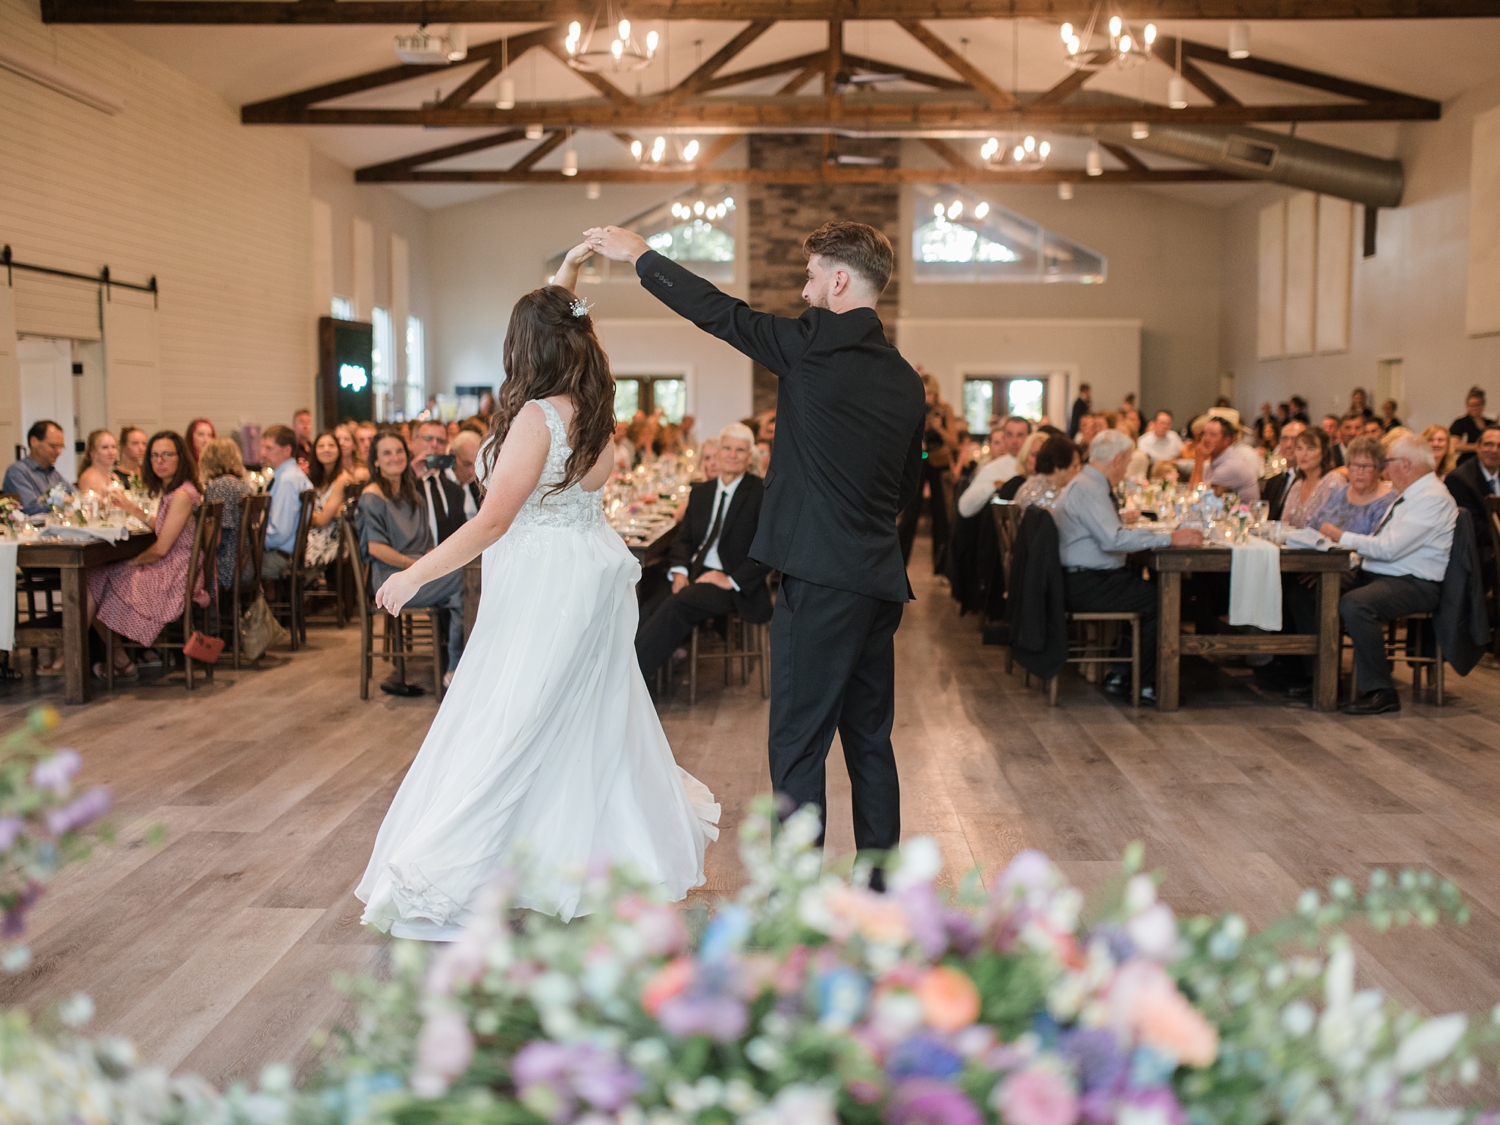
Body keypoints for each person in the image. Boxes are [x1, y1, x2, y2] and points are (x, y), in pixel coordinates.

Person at [357, 259, 717, 935]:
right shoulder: (595, 415)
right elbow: (562, 315)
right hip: (583, 571)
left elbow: (492, 520)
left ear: (531, 347)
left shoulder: (535, 418)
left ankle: (473, 863)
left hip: (539, 580)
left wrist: (413, 575)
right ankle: (575, 856)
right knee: (578, 714)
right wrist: (569, 272)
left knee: (511, 715)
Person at [588, 217, 923, 870]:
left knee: (797, 747)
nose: (803, 291)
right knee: (871, 745)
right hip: (876, 581)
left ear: (840, 278)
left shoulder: (812, 346)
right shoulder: (907, 380)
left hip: (819, 583)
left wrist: (642, 256)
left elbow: (720, 314)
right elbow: (906, 485)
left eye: (810, 276)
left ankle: (794, 902)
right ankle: (884, 895)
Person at [1053, 430, 1203, 705]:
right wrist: (1170, 538)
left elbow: (1098, 528)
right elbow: (1113, 540)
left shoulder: (1085, 482)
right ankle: (1142, 683)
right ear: (1119, 459)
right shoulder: (1089, 488)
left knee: (1148, 591)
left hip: (1084, 578)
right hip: (1085, 583)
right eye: (1127, 461)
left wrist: (1118, 518)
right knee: (1162, 601)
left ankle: (1123, 674)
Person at [1317, 434, 1456, 715]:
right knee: (1312, 586)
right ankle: (1314, 676)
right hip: (1384, 572)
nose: (1384, 469)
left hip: (1414, 582)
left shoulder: (1432, 498)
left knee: (1356, 604)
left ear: (1405, 464)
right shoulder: (1411, 493)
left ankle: (1382, 691)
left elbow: (1389, 548)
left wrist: (1342, 536)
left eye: (1387, 462)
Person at [635, 424, 771, 680]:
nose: (732, 454)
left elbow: (767, 551)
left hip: (730, 581)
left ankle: (632, 681)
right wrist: (680, 571)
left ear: (749, 456)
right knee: (646, 597)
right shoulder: (701, 492)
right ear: (718, 452)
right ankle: (637, 678)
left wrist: (730, 579)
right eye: (727, 448)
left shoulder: (761, 493)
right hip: (694, 572)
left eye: (740, 450)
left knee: (677, 604)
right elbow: (683, 540)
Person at [86, 431, 209, 680]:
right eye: (154, 456)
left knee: (94, 580)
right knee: (95, 579)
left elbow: (161, 549)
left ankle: (100, 658)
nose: (159, 461)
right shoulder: (177, 491)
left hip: (176, 576)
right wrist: (132, 509)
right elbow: (165, 527)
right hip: (177, 567)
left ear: (180, 458)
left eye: (167, 455)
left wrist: (129, 562)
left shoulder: (183, 495)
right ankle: (118, 659)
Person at [356, 431, 468, 693]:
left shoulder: (411, 492)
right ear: (375, 461)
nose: (395, 457)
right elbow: (376, 547)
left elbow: (427, 542)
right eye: (386, 453)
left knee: (467, 575)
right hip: (390, 578)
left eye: (398, 451)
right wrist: (416, 568)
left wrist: (431, 562)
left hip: (415, 570)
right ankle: (455, 667)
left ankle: (461, 663)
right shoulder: (372, 496)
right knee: (463, 582)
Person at [897, 372, 959, 573]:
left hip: (939, 464)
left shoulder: (944, 409)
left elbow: (954, 443)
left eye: (930, 393)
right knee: (909, 515)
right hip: (919, 461)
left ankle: (941, 568)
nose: (928, 397)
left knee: (941, 516)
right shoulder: (914, 406)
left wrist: (938, 427)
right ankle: (899, 564)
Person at [1443, 424, 1500, 594]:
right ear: (1478, 446)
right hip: (1477, 550)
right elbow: (1473, 528)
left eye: (1499, 446)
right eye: (1489, 444)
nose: (1494, 450)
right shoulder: (1460, 479)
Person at [201, 437, 255, 589]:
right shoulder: (245, 487)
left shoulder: (220, 487)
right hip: (246, 565)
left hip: (226, 568)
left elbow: (214, 540)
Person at [1312, 436, 1395, 536]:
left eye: (1367, 466)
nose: (1360, 472)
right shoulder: (1338, 492)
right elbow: (1312, 527)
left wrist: (1339, 536)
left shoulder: (1388, 502)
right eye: (1355, 465)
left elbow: (1377, 544)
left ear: (1380, 469)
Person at [259, 424, 311, 580]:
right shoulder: (290, 475)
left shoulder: (288, 479)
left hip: (279, 557)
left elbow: (280, 533)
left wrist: (254, 540)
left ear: (287, 450)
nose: (263, 453)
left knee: (231, 569)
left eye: (269, 448)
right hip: (284, 553)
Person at [410, 418, 470, 547]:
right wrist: (410, 475)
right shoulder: (402, 484)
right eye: (428, 438)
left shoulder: (455, 491)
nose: (434, 445)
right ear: (412, 443)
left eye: (441, 441)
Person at [957, 416, 1029, 518]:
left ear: (1029, 437)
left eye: (1020, 435)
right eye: (1009, 435)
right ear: (1005, 438)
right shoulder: (992, 469)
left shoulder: (1035, 466)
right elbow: (964, 508)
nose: (1014, 441)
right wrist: (994, 486)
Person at [305, 431, 354, 569]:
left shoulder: (342, 479)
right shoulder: (316, 479)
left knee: (289, 553)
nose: (326, 449)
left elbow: (322, 520)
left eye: (331, 445)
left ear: (338, 450)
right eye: (321, 446)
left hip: (333, 540)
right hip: (316, 536)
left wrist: (306, 515)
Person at [1189, 415, 1261, 503]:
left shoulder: (1230, 466)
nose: (1206, 439)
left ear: (1227, 441)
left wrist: (1199, 460)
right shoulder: (1221, 459)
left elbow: (1196, 499)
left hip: (1244, 515)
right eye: (1204, 433)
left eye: (1213, 435)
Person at [1280, 428, 1341, 529]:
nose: (1303, 454)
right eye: (1299, 448)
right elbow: (1284, 524)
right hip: (1292, 543)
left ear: (1324, 452)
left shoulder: (1332, 481)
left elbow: (1332, 527)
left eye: (1310, 448)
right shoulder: (1297, 485)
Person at [4, 420, 68, 515]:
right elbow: (30, 509)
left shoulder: (53, 473)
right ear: (34, 442)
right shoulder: (17, 471)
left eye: (61, 447)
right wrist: (62, 502)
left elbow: (76, 497)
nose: (59, 452)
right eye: (54, 446)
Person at [1012, 435, 1080, 511]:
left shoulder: (1026, 486)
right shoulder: (1056, 498)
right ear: (1058, 466)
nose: (1078, 472)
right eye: (1075, 466)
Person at [1260, 420, 1305, 520]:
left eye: (1294, 439)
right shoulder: (1273, 482)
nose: (1288, 445)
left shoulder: (1307, 481)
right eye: (1284, 439)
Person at [1450, 386, 1493, 466]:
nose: (1474, 408)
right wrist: (1475, 447)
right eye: (1471, 405)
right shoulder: (1460, 423)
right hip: (1466, 463)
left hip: (1487, 462)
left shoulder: (1490, 424)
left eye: (1477, 405)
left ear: (1483, 406)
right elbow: (1454, 445)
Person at [76, 429, 122, 499]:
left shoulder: (113, 476)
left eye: (113, 447)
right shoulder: (89, 478)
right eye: (105, 447)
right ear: (92, 451)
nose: (111, 451)